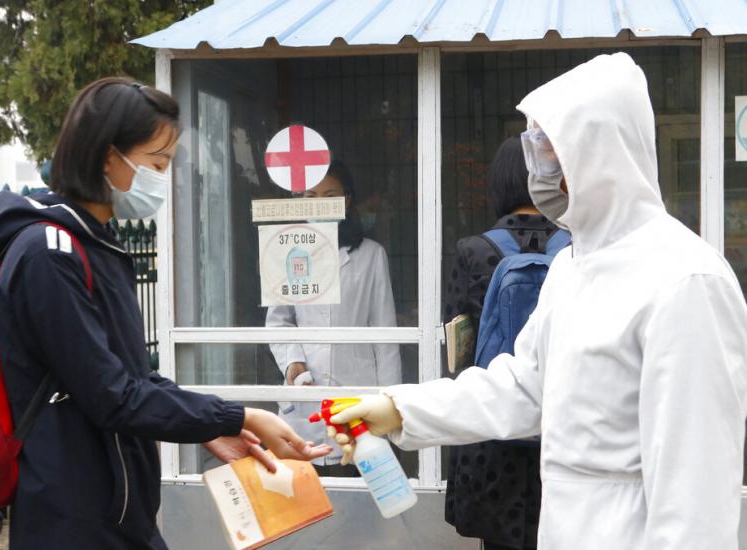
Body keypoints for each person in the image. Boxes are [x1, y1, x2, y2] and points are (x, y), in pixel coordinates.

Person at [331, 52, 747, 549]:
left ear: (600, 155)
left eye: (550, 150)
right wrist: (400, 409)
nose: (538, 169)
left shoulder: (685, 280)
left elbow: (696, 497)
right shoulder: (571, 266)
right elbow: (524, 387)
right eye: (534, 148)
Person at [0, 78, 331, 549]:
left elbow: (134, 377)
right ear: (108, 157)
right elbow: (112, 396)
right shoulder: (49, 254)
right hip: (73, 520)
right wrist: (237, 416)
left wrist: (212, 428)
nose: (164, 178)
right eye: (157, 163)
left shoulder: (96, 246)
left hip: (117, 510)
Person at [444, 136, 561, 550]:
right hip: (561, 428)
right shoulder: (578, 249)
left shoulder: (472, 251)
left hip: (493, 431)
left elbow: (458, 353)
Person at [266, 159, 401, 474]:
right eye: (310, 196)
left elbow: (385, 335)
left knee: (357, 486)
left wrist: (390, 404)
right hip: (304, 395)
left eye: (330, 196)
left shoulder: (370, 255)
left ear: (347, 200)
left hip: (357, 393)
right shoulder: (286, 251)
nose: (320, 204)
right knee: (304, 488)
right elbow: (278, 320)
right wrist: (293, 361)